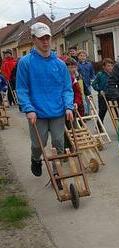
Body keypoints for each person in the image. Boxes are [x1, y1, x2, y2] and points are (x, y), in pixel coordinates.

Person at [16, 22, 74, 177]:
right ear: (34, 39)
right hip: (37, 112)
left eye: (47, 37)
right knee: (38, 145)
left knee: (59, 143)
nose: (45, 41)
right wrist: (28, 109)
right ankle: (35, 159)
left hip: (57, 111)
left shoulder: (60, 64)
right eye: (41, 38)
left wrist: (68, 107)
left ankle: (57, 172)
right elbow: (22, 89)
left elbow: (67, 88)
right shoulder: (25, 62)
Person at [92, 58, 115, 130]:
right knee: (102, 112)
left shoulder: (114, 74)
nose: (110, 67)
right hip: (102, 96)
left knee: (116, 112)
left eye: (111, 65)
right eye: (108, 66)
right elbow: (94, 84)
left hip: (112, 95)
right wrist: (99, 90)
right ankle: (99, 126)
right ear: (104, 67)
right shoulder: (100, 74)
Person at [77, 50, 94, 115]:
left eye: (84, 56)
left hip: (88, 84)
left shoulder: (89, 64)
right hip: (80, 84)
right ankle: (85, 112)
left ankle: (89, 111)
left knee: (88, 99)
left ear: (86, 57)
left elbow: (92, 73)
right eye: (81, 56)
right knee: (82, 99)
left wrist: (93, 79)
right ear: (78, 57)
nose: (83, 57)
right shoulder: (77, 64)